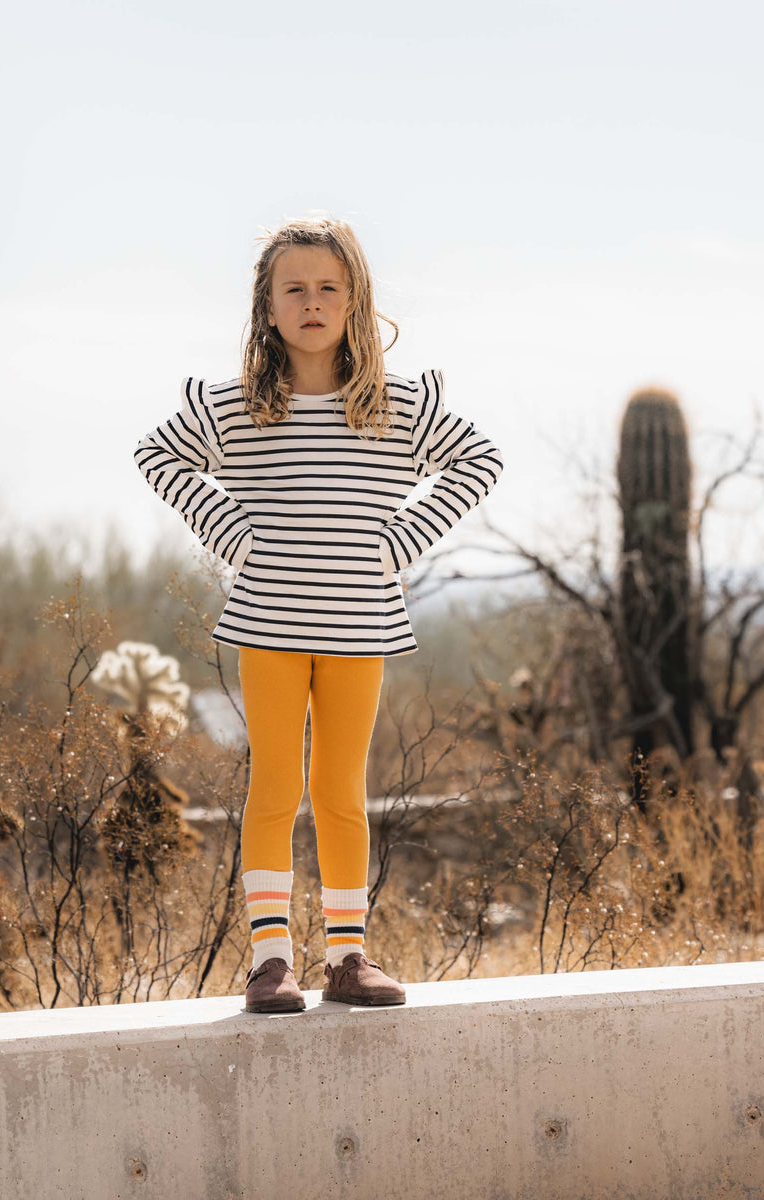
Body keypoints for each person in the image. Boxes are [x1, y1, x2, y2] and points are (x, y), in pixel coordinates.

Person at [133, 216, 504, 1013]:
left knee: (339, 789)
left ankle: (348, 958)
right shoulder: (238, 409)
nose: (312, 301)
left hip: (358, 627)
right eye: (294, 289)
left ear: (354, 301)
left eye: (328, 287)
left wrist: (400, 539)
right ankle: (272, 963)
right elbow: (155, 454)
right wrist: (232, 531)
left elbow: (481, 460)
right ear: (267, 308)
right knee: (274, 787)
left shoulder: (393, 406)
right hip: (267, 624)